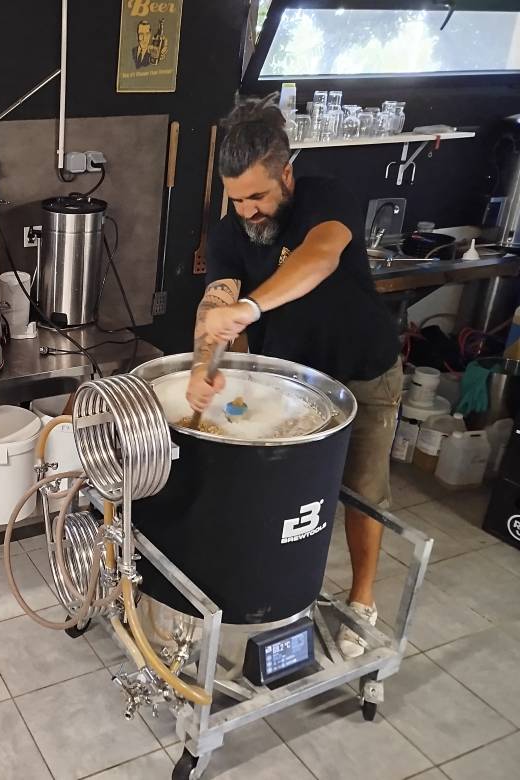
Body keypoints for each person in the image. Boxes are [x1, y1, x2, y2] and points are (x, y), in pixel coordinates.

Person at [186, 95, 403, 659]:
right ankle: (284, 586)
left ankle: (361, 600)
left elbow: (320, 257)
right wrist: (203, 365)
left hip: (364, 372)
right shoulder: (228, 234)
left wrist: (251, 309)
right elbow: (217, 303)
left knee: (363, 492)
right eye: (237, 199)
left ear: (285, 175)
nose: (249, 211)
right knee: (289, 493)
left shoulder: (324, 199)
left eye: (258, 196)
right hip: (293, 384)